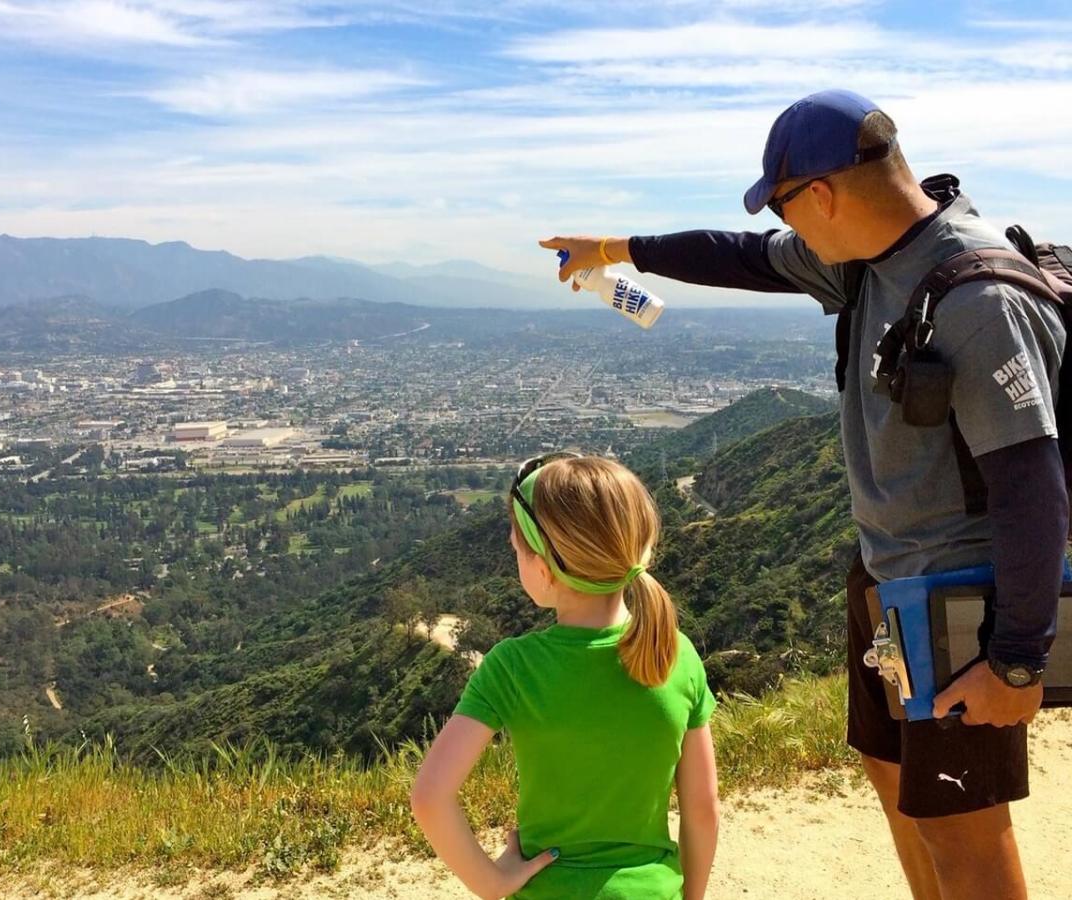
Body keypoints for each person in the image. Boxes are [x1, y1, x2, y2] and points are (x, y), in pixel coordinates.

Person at [541, 89, 1067, 900]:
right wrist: (613, 249)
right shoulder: (862, 257)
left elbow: (1034, 487)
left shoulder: (976, 298)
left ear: (819, 194)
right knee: (903, 796)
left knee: (966, 836)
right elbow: (742, 255)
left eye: (785, 204)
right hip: (886, 577)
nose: (786, 227)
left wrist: (1019, 662)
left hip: (961, 603)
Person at [411, 453, 720, 899]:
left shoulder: (512, 667)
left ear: (544, 569)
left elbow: (429, 798)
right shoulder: (676, 654)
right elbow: (702, 810)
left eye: (518, 548)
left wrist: (492, 883)